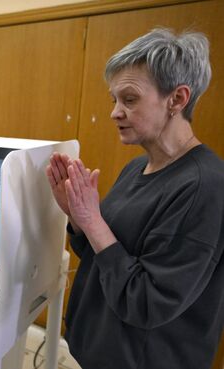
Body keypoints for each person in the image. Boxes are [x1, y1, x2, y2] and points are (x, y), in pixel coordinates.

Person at [46, 29, 224, 369]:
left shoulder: (205, 188)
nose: (115, 112)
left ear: (177, 99)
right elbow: (102, 255)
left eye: (129, 99)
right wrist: (79, 220)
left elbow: (148, 302)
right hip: (100, 347)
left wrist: (94, 221)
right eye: (113, 99)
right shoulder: (137, 167)